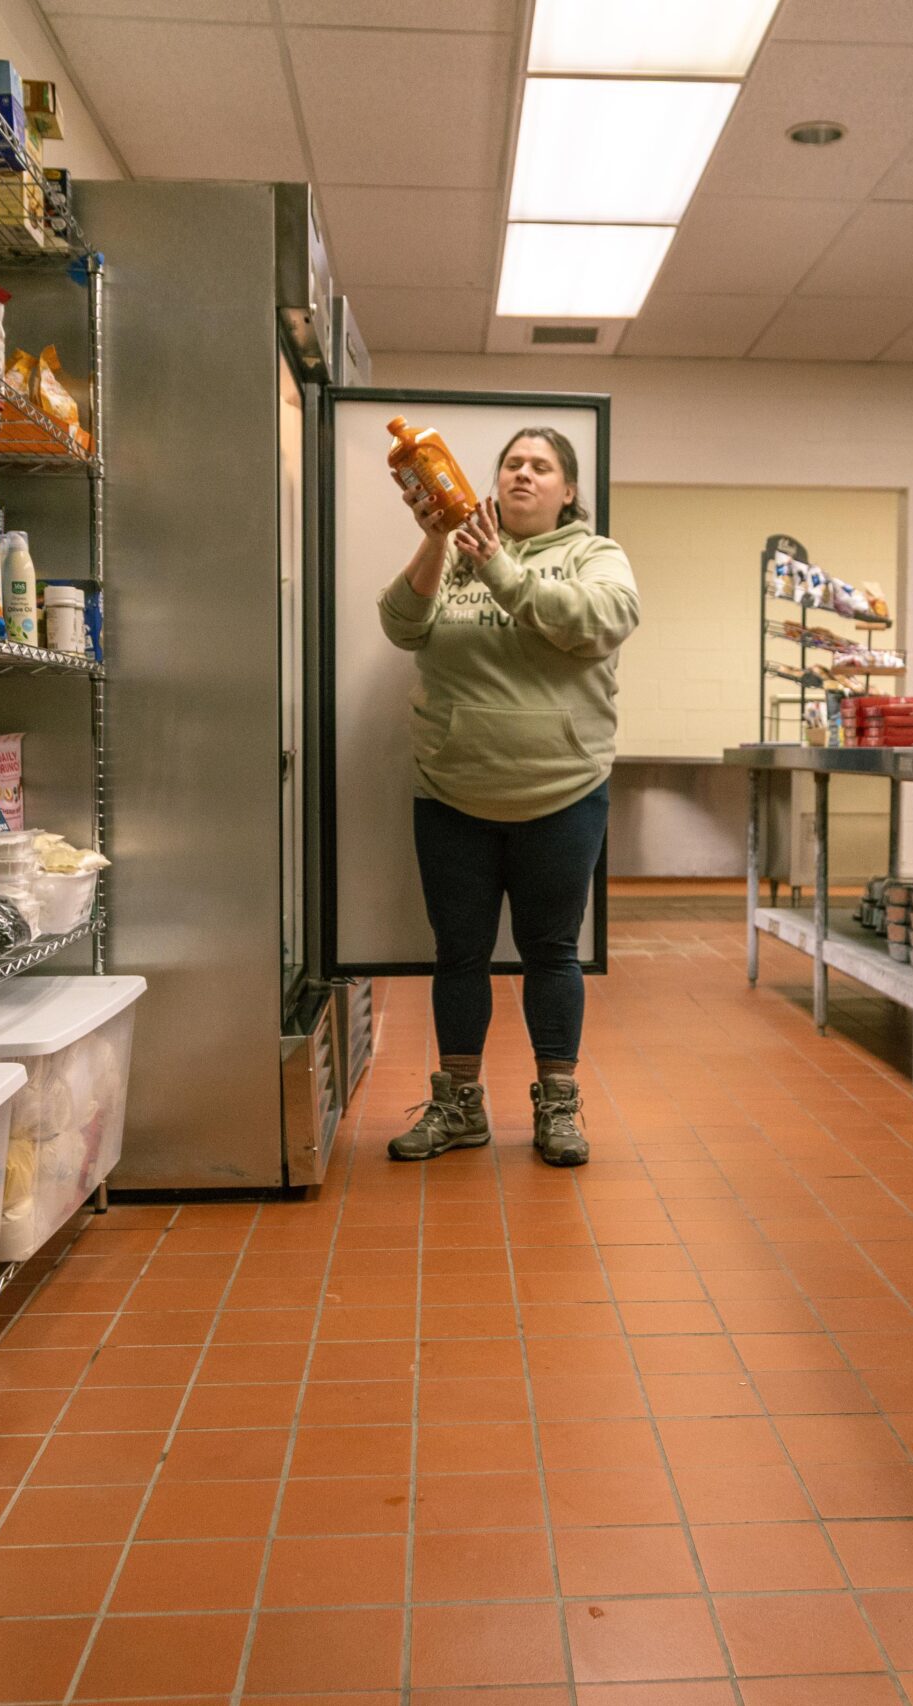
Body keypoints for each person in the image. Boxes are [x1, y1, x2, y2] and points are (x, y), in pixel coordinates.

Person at [377, 427, 639, 1167]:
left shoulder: (596, 555)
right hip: (452, 790)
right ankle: (458, 1106)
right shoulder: (456, 547)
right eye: (512, 463)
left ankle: (558, 1107)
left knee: (550, 952)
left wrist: (499, 568)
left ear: (568, 490)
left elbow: (598, 622)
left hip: (563, 791)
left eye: (542, 466)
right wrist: (437, 540)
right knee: (458, 953)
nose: (524, 474)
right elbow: (400, 626)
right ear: (493, 480)